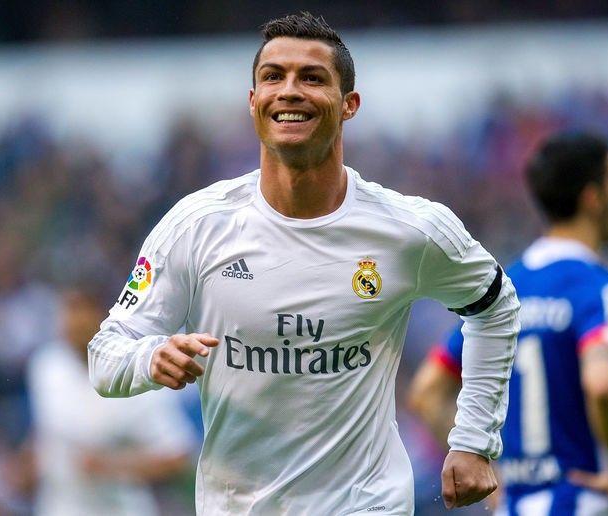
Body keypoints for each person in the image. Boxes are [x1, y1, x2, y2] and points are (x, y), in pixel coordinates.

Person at [87, 12, 520, 515]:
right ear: (254, 101)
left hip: (366, 504)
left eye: (311, 78)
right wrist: (151, 357)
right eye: (273, 77)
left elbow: (495, 306)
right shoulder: (196, 226)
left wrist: (474, 440)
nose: (289, 91)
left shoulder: (409, 229)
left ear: (349, 104)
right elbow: (105, 355)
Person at [408, 132, 608, 515]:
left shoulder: (507, 288)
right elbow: (603, 383)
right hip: (579, 501)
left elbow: (427, 391)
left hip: (514, 506)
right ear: (593, 198)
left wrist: (484, 464)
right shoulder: (599, 289)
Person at [25, 286, 196, 516]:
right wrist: (24, 465)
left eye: (83, 310)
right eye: (69, 310)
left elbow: (179, 457)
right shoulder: (47, 366)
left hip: (120, 508)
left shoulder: (137, 373)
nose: (73, 322)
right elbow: (47, 431)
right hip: (58, 507)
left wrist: (110, 466)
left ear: (105, 315)